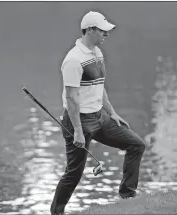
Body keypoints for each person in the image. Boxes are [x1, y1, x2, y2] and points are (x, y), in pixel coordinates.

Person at [50, 11, 146, 215]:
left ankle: (127, 195)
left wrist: (112, 113)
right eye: (103, 30)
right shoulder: (73, 60)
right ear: (90, 30)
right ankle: (56, 212)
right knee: (74, 173)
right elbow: (71, 98)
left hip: (100, 117)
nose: (107, 34)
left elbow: (99, 87)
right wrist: (76, 130)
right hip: (79, 121)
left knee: (136, 145)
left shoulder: (97, 53)